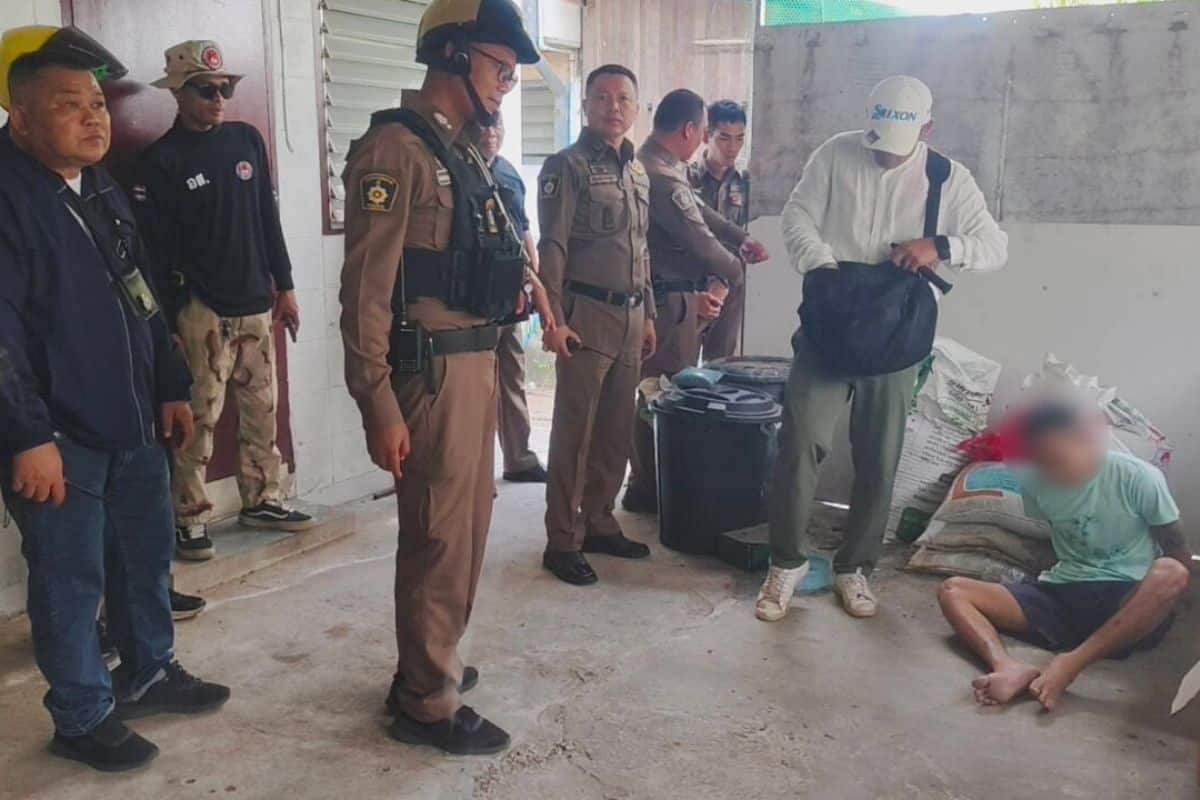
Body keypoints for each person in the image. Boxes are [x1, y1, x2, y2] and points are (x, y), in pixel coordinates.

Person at [0, 26, 229, 772]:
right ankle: (81, 713)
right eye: (72, 105)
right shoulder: (7, 197)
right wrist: (24, 434)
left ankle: (150, 670)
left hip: (128, 416)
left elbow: (143, 295)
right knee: (70, 577)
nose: (95, 118)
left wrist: (169, 385)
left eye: (97, 103)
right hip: (56, 435)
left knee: (143, 554)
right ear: (21, 114)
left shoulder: (96, 185)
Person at [339, 0, 549, 754]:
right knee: (436, 534)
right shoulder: (395, 151)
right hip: (429, 374)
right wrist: (378, 402)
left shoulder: (459, 152)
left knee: (467, 530)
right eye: (500, 66)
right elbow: (365, 290)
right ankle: (426, 699)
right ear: (454, 55)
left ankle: (433, 662)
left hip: (476, 362)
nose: (509, 83)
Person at [757, 75, 1008, 622]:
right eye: (878, 143)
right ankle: (786, 562)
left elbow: (994, 247)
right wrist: (818, 260)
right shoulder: (835, 155)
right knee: (799, 442)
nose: (886, 159)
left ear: (928, 129)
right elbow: (797, 214)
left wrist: (939, 245)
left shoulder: (947, 177)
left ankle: (856, 568)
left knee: (878, 457)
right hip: (830, 324)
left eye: (899, 148)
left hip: (897, 335)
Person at [133, 39, 313, 563]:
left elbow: (267, 219)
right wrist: (168, 318)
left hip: (257, 301)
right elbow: (153, 250)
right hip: (201, 311)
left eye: (225, 88)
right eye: (206, 90)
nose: (218, 98)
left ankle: (264, 499)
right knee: (198, 418)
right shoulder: (160, 161)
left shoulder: (246, 141)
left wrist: (288, 287)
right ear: (179, 94)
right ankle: (190, 518)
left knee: (263, 411)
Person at [938, 403, 1192, 712]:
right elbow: (1057, 538)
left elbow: (1175, 546)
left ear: (1084, 440)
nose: (1050, 470)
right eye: (1040, 461)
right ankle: (1006, 667)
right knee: (954, 591)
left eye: (1056, 458)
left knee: (1171, 572)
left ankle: (1070, 664)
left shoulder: (1138, 477)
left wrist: (1173, 601)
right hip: (1062, 593)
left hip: (1124, 601)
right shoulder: (1034, 481)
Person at [623, 90, 768, 514]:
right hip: (670, 302)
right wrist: (735, 269)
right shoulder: (663, 175)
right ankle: (649, 487)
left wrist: (742, 240)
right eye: (710, 133)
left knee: (672, 390)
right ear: (691, 132)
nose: (721, 142)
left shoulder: (663, 167)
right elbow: (699, 238)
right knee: (662, 394)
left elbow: (702, 213)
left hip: (678, 298)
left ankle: (659, 484)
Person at [537, 64, 655, 586]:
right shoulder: (568, 166)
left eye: (623, 99)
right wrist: (554, 319)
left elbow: (641, 248)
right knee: (574, 434)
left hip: (629, 317)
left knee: (614, 432)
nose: (614, 107)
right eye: (602, 97)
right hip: (586, 317)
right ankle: (562, 539)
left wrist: (648, 312)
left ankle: (600, 521)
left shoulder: (636, 170)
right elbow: (553, 246)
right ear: (585, 105)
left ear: (636, 107)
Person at [472, 111, 547, 483]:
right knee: (479, 386)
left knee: (513, 374)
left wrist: (534, 272)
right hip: (477, 299)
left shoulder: (508, 172)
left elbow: (524, 226)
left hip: (512, 294)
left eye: (496, 127)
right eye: (484, 127)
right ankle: (477, 466)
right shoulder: (462, 171)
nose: (491, 134)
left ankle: (519, 458)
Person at [688, 99, 751, 362]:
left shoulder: (747, 184)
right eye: (724, 138)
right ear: (706, 136)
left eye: (739, 139)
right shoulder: (685, 179)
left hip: (729, 292)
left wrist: (723, 282)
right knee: (677, 372)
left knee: (721, 370)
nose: (732, 148)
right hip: (689, 288)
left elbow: (746, 240)